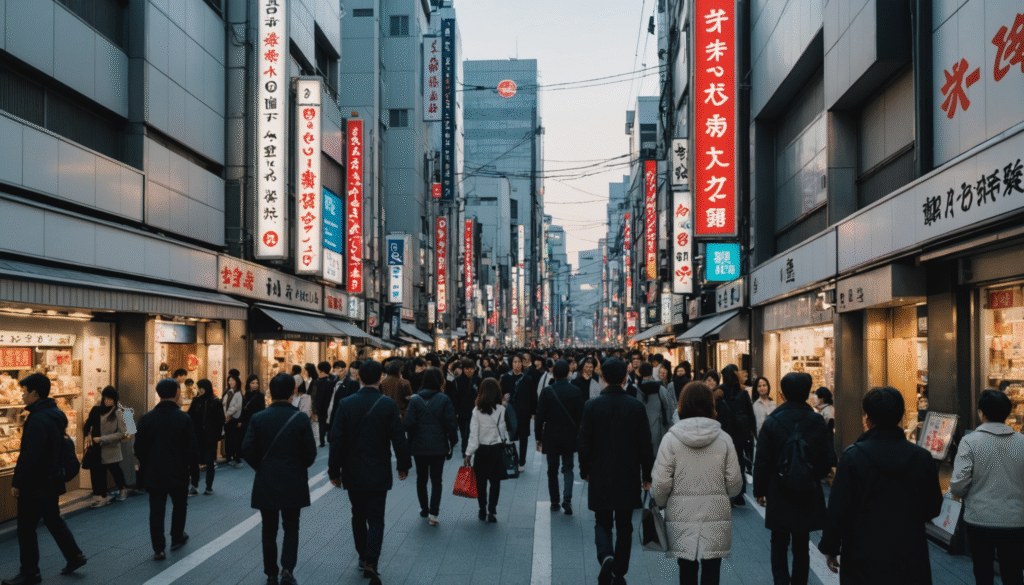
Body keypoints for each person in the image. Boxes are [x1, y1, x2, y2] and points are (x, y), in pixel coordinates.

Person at [818, 387, 942, 583]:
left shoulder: (853, 457)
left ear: (867, 419)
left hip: (862, 552)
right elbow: (933, 507)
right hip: (909, 551)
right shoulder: (922, 457)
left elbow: (838, 510)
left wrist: (830, 547)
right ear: (900, 416)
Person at [328, 360, 411, 585]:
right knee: (376, 517)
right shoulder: (387, 405)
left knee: (358, 514)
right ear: (379, 378)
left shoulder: (346, 404)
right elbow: (398, 438)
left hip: (352, 469)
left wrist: (333, 470)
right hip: (378, 469)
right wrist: (403, 465)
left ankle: (362, 554)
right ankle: (372, 561)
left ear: (360, 378)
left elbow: (336, 440)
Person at [653, 382, 742, 585]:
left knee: (687, 569)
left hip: (681, 515)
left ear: (682, 406)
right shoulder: (724, 440)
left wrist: (661, 503)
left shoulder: (671, 439)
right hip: (715, 514)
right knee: (712, 570)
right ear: (711, 406)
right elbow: (735, 483)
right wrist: (722, 496)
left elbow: (660, 483)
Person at [752, 372, 836, 585]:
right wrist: (811, 475)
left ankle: (781, 581)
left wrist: (759, 491)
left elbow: (762, 460)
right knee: (801, 543)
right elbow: (827, 459)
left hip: (778, 488)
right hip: (807, 490)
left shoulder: (772, 422)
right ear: (808, 394)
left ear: (781, 393)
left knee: (778, 541)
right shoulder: (817, 422)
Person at [4, 374, 86, 585]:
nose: (22, 395)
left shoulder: (38, 418)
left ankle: (30, 573)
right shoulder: (55, 413)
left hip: (35, 484)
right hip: (51, 480)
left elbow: (30, 455)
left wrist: (17, 482)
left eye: (25, 391)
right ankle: (75, 556)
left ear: (35, 393)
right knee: (53, 520)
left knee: (26, 528)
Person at [578, 357, 654, 585]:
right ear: (624, 378)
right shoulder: (636, 406)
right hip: (628, 473)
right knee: (624, 524)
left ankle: (606, 556)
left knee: (602, 520)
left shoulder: (591, 406)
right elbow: (645, 445)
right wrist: (647, 475)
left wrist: (584, 470)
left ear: (602, 377)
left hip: (600, 472)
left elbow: (584, 443)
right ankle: (619, 569)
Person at [241, 372, 318, 585]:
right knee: (291, 526)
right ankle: (287, 570)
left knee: (269, 528)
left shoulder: (258, 418)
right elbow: (310, 454)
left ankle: (271, 573)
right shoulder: (300, 418)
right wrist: (297, 465)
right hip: (293, 479)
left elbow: (246, 448)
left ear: (270, 392)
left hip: (267, 479)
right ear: (293, 391)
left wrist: (261, 465)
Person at [950, 390, 1024, 585]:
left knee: (983, 573)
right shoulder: (1022, 442)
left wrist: (961, 493)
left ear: (981, 413)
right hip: (1016, 519)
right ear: (1007, 413)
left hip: (979, 519)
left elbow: (958, 484)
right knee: (1014, 572)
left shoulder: (970, 442)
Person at [135, 378, 201, 560]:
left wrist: (148, 464)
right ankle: (177, 536)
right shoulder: (183, 418)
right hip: (178, 471)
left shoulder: (146, 419)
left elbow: (138, 449)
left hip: (154, 472)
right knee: (180, 505)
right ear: (177, 393)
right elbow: (192, 450)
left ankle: (158, 548)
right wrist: (193, 471)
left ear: (158, 394)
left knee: (156, 510)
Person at [403, 367, 458, 526]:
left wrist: (411, 440)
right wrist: (452, 442)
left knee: (421, 479)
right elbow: (451, 423)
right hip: (438, 445)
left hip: (419, 446)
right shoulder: (444, 399)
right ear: (440, 381)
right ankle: (434, 513)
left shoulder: (415, 399)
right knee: (436, 480)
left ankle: (424, 509)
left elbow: (409, 423)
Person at [535, 359, 585, 515]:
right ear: (568, 373)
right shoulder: (576, 391)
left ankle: (555, 501)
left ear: (554, 374)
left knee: (552, 470)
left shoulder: (547, 391)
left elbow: (539, 417)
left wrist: (538, 437)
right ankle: (567, 499)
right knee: (568, 468)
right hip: (570, 435)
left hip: (551, 436)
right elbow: (581, 417)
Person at [464, 378, 511, 523]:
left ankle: (482, 509)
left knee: (481, 482)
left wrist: (469, 453)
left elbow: (474, 435)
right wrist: (508, 445)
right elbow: (503, 432)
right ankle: (492, 510)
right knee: (495, 481)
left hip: (481, 450)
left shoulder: (477, 411)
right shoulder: (502, 409)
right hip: (496, 449)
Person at [83, 386, 129, 507]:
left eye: (111, 399)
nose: (108, 401)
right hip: (97, 449)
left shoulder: (118, 412)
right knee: (99, 472)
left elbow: (121, 433)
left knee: (115, 470)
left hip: (111, 448)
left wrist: (102, 439)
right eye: (106, 398)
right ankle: (101, 496)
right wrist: (87, 434)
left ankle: (122, 489)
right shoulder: (96, 409)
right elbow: (88, 424)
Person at [720, 366, 756, 506]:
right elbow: (750, 414)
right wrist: (753, 433)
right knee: (739, 461)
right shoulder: (743, 392)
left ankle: (727, 492)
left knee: (724, 463)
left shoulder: (719, 391)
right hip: (740, 434)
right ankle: (739, 493)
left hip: (723, 433)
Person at [187, 379, 224, 496]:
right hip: (197, 437)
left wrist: (217, 436)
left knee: (209, 462)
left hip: (210, 438)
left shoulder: (216, 401)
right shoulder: (196, 401)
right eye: (199, 388)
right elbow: (189, 417)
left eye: (201, 388)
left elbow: (220, 420)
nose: (200, 390)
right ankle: (194, 485)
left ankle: (209, 486)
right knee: (194, 462)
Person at [501, 353, 535, 472]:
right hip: (509, 412)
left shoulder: (528, 379)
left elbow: (533, 396)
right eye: (515, 362)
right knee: (509, 437)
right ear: (511, 363)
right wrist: (503, 399)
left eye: (519, 362)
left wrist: (533, 411)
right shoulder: (506, 377)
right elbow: (500, 395)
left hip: (524, 413)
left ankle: (522, 461)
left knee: (523, 438)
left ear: (523, 364)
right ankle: (511, 459)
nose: (517, 364)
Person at [637, 362, 677, 459]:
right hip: (660, 428)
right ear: (652, 372)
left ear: (640, 373)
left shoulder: (637, 390)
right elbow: (670, 408)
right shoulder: (660, 388)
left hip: (643, 430)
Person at [448, 358, 480, 458]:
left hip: (475, 411)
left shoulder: (477, 380)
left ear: (474, 369)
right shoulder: (457, 381)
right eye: (467, 368)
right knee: (464, 434)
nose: (469, 371)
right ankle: (465, 453)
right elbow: (453, 398)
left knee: (474, 433)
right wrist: (456, 411)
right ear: (463, 369)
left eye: (471, 368)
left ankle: (473, 451)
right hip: (462, 412)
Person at [237, 375, 267, 468]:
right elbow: (243, 410)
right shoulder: (245, 395)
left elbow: (262, 409)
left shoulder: (261, 395)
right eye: (253, 383)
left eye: (257, 383)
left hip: (257, 420)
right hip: (247, 420)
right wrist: (240, 420)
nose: (255, 385)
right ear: (248, 384)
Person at [313, 361, 338, 447]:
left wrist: (315, 408)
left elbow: (318, 396)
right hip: (331, 403)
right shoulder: (334, 379)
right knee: (329, 421)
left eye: (319, 371)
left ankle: (322, 441)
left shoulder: (319, 382)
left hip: (322, 405)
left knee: (321, 422)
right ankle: (328, 437)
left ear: (322, 371)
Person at [222, 374, 243, 465]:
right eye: (229, 380)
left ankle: (237, 458)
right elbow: (224, 404)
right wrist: (225, 416)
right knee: (228, 439)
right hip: (227, 419)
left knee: (235, 439)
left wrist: (228, 415)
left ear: (237, 382)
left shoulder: (238, 393)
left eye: (233, 380)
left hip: (234, 419)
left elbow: (236, 407)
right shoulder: (228, 392)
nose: (230, 382)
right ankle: (228, 457)